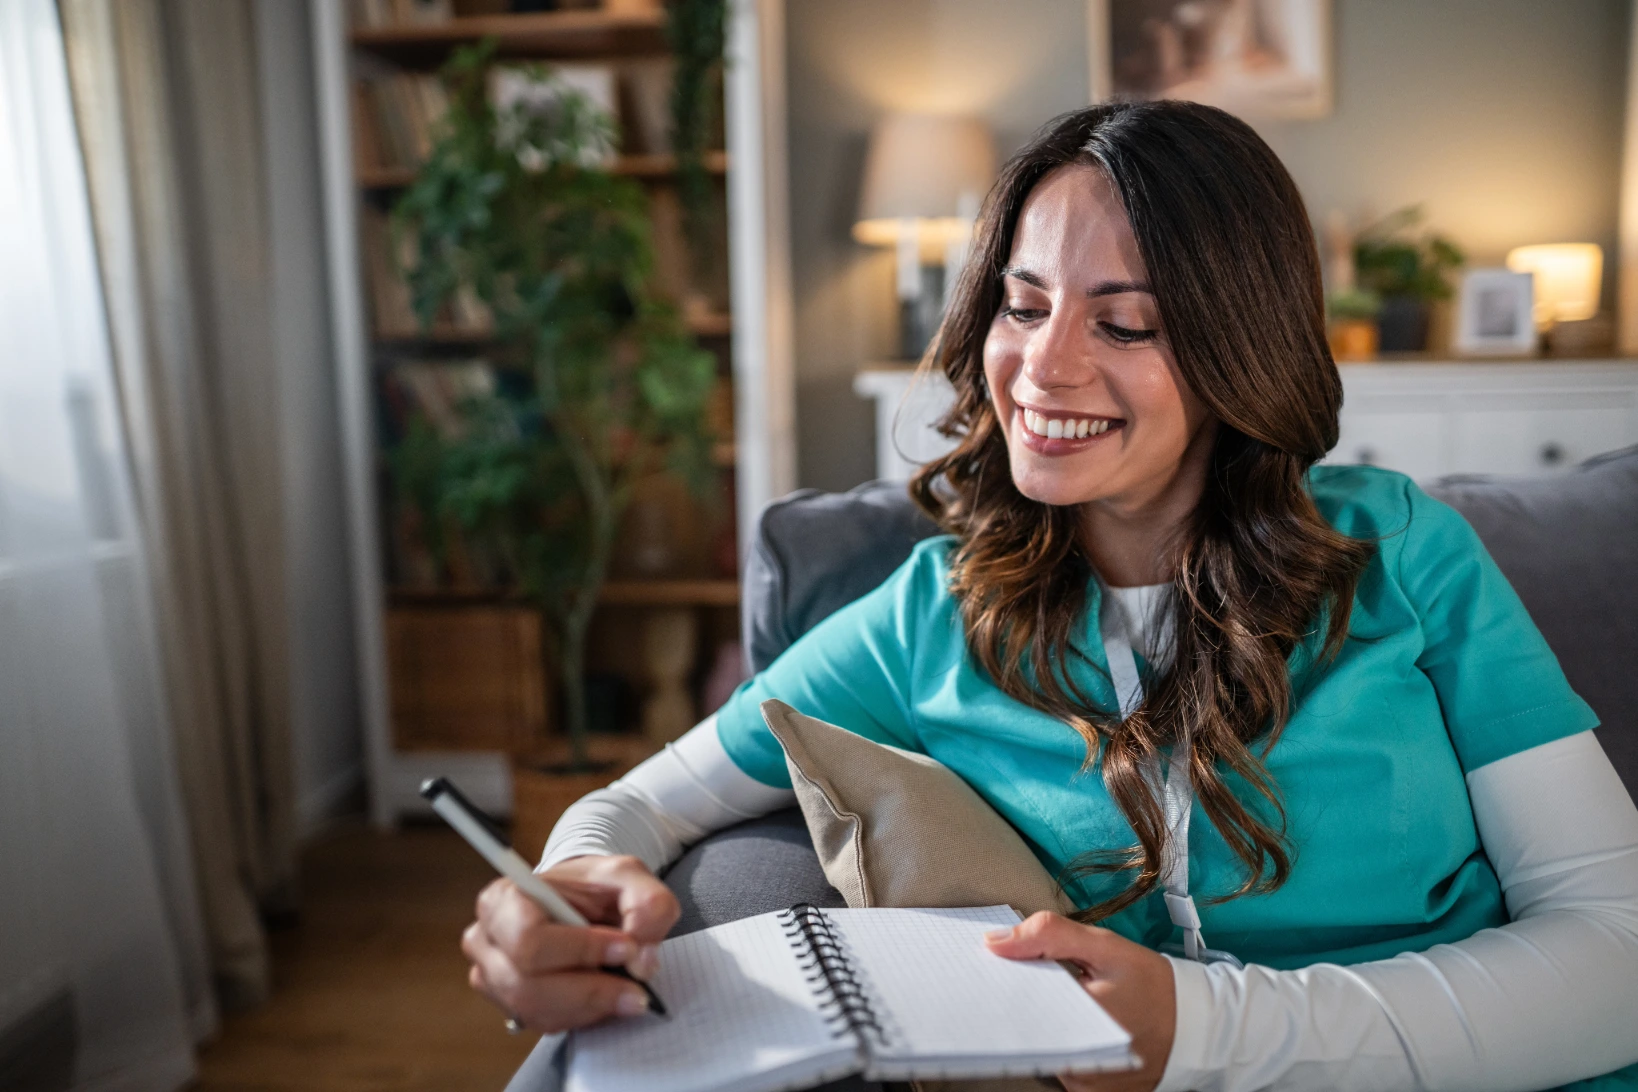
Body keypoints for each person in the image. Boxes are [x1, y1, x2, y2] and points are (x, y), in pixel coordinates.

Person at [460, 101, 1638, 1091]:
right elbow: (637, 807)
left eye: (1126, 322)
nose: (1045, 364)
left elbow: (1617, 957)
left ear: (1243, 352)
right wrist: (564, 893)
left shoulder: (1404, 558)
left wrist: (1208, 1027)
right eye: (1023, 306)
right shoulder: (937, 616)